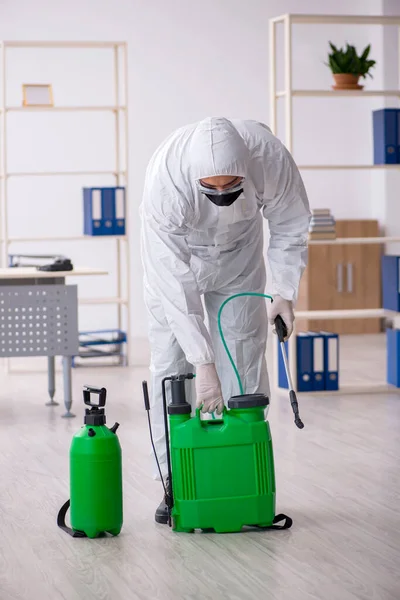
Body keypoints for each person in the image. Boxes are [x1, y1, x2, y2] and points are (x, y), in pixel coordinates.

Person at [140, 117, 311, 523]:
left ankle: (243, 475)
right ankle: (175, 483)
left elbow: (290, 224)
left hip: (238, 258)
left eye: (230, 185)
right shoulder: (166, 179)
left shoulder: (269, 156)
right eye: (210, 188)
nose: (221, 193)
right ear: (194, 178)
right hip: (178, 263)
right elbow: (173, 282)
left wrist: (284, 290)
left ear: (246, 166)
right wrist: (202, 361)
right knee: (172, 367)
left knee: (244, 354)